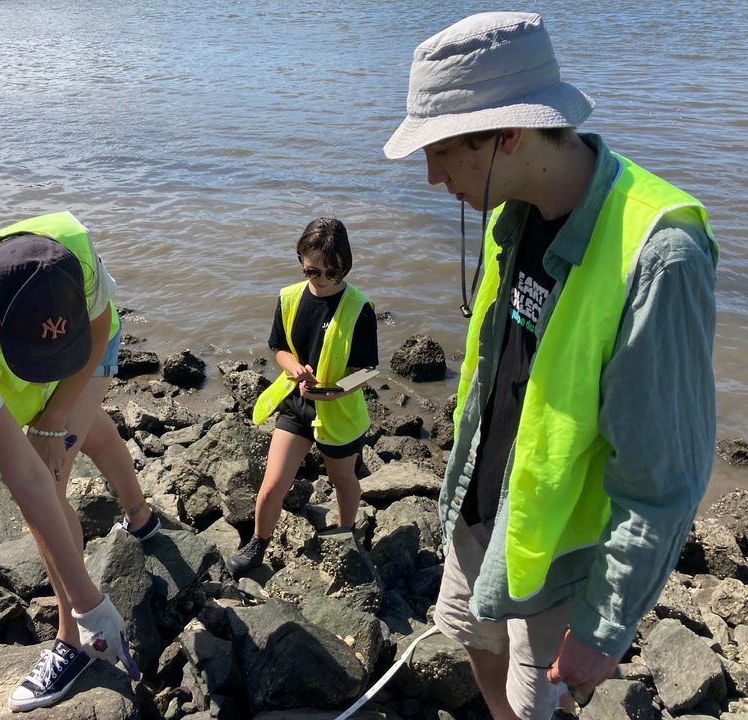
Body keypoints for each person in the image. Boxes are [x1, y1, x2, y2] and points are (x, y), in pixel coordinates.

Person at [383, 12, 717, 720]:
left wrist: (603, 628)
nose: (432, 175)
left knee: (539, 705)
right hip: (481, 506)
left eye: (442, 150)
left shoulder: (660, 255)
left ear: (509, 134)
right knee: (471, 639)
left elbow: (664, 481)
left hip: (559, 555)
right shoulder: (515, 208)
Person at [0, 211, 160, 712]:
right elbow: (21, 477)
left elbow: (97, 332)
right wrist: (92, 600)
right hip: (2, 375)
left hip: (86, 351)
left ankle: (73, 638)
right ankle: (138, 526)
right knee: (52, 464)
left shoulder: (72, 251)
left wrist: (54, 421)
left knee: (56, 469)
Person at [225, 217, 378, 577]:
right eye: (314, 272)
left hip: (339, 412)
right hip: (297, 404)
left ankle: (345, 532)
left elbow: (368, 369)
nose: (323, 280)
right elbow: (278, 347)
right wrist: (294, 368)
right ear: (300, 262)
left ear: (346, 266)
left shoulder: (360, 308)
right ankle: (257, 545)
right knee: (272, 484)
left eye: (333, 272)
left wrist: (333, 393)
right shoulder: (289, 298)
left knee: (342, 480)